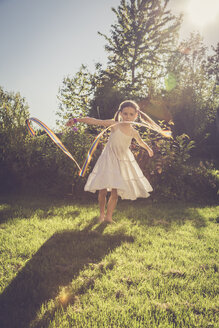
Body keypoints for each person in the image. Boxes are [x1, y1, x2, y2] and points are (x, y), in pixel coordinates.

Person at [66, 100, 154, 223]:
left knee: (115, 190)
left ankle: (109, 217)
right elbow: (95, 121)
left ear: (136, 115)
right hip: (108, 158)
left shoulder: (134, 131)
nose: (127, 116)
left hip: (121, 160)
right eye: (125, 113)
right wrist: (76, 120)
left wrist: (148, 149)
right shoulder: (115, 125)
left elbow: (140, 142)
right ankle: (101, 215)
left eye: (130, 114)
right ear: (120, 113)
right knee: (103, 189)